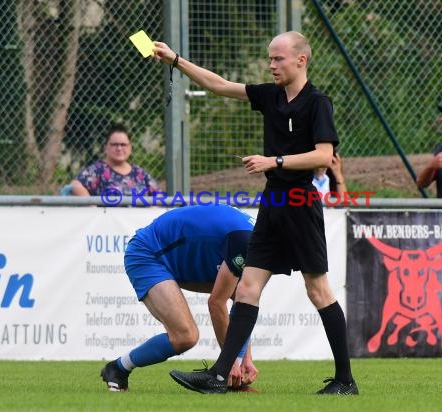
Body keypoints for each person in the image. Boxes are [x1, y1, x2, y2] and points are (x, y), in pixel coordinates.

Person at [153, 31, 358, 395]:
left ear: (301, 60)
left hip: (300, 203)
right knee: (247, 287)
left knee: (318, 290)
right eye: (270, 58)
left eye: (278, 58)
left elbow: (325, 156)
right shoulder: (270, 95)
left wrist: (274, 160)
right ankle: (219, 375)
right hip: (273, 203)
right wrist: (175, 60)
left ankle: (345, 380)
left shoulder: (317, 103)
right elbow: (218, 85)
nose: (271, 64)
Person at [100, 204, 258, 392]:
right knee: (185, 336)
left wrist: (245, 358)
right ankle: (117, 368)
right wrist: (231, 362)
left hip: (178, 258)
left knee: (241, 293)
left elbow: (242, 303)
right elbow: (216, 303)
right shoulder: (246, 241)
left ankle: (229, 377)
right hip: (148, 254)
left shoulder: (257, 239)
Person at [70, 123, 159, 196]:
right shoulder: (97, 171)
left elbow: (159, 195)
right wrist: (93, 208)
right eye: (114, 144)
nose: (119, 148)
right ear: (106, 147)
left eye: (123, 144)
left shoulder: (140, 173)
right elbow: (75, 185)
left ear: (130, 148)